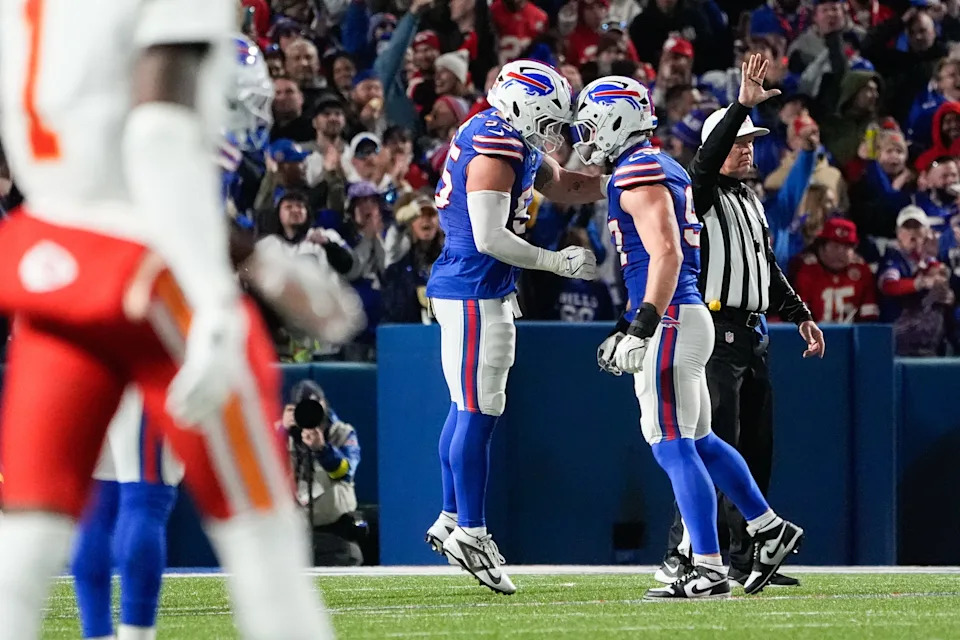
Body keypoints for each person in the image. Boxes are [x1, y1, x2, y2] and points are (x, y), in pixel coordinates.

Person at [0, 2, 346, 638]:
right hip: (152, 276)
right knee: (259, 532)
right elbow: (159, 133)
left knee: (26, 539)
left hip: (50, 255)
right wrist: (224, 288)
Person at [576, 68, 804, 601]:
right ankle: (767, 528)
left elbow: (667, 253)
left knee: (671, 444)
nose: (587, 135)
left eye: (592, 124)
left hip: (673, 317)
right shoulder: (663, 167)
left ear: (615, 121)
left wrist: (641, 325)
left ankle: (705, 564)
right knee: (702, 440)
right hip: (692, 315)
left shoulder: (638, 171)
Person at [423, 60, 607, 595]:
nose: (555, 133)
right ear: (525, 108)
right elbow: (489, 237)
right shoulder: (496, 147)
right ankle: (472, 532)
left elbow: (568, 186)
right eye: (549, 120)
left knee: (467, 409)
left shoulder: (510, 137)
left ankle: (452, 517)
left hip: (474, 288)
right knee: (480, 412)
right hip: (475, 288)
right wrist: (556, 262)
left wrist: (619, 181)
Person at [651, 54, 825, 591]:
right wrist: (738, 106)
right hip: (715, 337)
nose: (748, 149)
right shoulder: (696, 193)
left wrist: (799, 314)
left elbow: (765, 267)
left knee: (754, 451)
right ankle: (694, 554)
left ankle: (751, 556)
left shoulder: (750, 199)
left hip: (753, 335)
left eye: (751, 142)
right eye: (739, 141)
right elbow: (703, 165)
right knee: (709, 445)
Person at [791, 218, 880, 323]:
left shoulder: (862, 271)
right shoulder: (806, 270)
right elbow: (799, 317)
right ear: (821, 247)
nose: (840, 253)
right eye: (835, 246)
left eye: (847, 247)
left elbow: (869, 318)